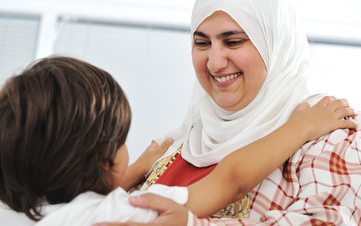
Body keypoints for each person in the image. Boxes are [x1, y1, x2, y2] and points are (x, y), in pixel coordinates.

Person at [94, 0, 361, 225]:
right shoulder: (173, 144)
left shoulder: (332, 136)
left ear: (275, 43)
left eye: (233, 42)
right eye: (201, 43)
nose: (214, 62)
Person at [0, 57, 355, 226]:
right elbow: (229, 180)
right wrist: (302, 127)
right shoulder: (128, 211)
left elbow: (81, 199)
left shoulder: (29, 217)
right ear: (104, 158)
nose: (215, 60)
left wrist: (136, 166)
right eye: (122, 140)